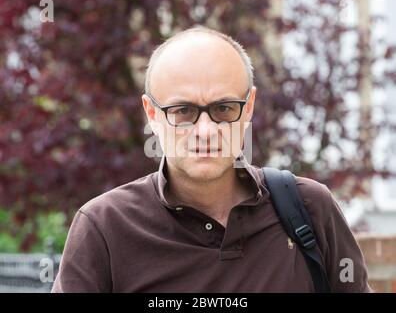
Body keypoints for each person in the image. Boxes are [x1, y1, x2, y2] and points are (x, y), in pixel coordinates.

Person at [52, 26, 371, 292]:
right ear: (152, 114)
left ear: (248, 108)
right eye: (183, 111)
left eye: (223, 109)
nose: (205, 131)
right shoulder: (104, 228)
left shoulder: (310, 210)